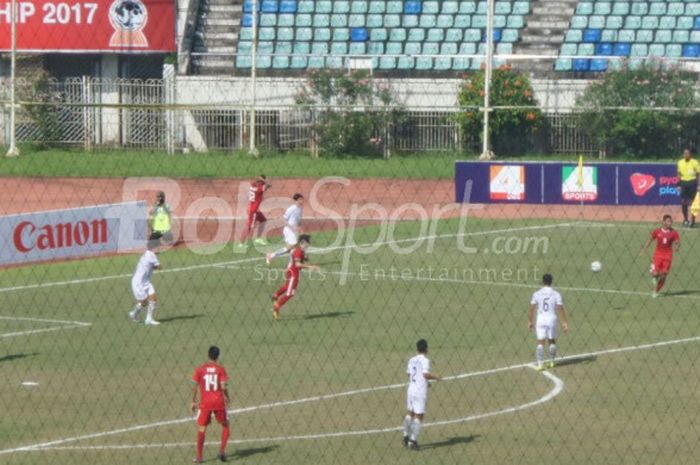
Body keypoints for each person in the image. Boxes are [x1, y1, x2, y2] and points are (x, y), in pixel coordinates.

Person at [191, 345, 230, 463]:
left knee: (202, 429)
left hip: (205, 403)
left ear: (208, 355)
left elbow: (194, 386)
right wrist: (227, 397)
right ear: (218, 356)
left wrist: (193, 401)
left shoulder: (200, 369)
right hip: (218, 402)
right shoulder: (220, 369)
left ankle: (199, 457)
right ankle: (222, 451)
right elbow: (223, 386)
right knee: (226, 425)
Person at [402, 339, 441, 451]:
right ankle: (412, 441)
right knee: (419, 415)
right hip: (419, 392)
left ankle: (405, 436)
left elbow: (410, 374)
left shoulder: (411, 360)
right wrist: (436, 377)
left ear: (417, 348)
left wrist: (426, 382)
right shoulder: (425, 360)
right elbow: (425, 374)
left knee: (410, 413)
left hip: (411, 389)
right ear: (426, 349)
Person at [271, 234, 318, 320]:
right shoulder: (298, 251)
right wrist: (310, 267)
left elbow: (294, 256)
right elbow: (297, 264)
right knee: (290, 293)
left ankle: (275, 295)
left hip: (291, 271)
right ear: (303, 242)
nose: (309, 244)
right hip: (294, 273)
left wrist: (310, 263)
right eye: (308, 242)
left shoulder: (298, 249)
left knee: (287, 286)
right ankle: (276, 308)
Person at [528, 273, 569, 371]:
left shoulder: (537, 293)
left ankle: (540, 364)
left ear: (543, 281)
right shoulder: (556, 294)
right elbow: (560, 308)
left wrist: (530, 321)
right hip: (551, 319)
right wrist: (564, 322)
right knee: (552, 340)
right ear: (551, 281)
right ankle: (551, 362)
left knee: (540, 342)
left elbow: (531, 309)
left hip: (541, 319)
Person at [640, 214, 681, 298]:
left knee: (664, 275)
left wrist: (677, 246)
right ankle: (654, 275)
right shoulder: (657, 231)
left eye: (671, 221)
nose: (670, 223)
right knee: (655, 274)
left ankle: (655, 291)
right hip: (658, 255)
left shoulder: (674, 232)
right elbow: (650, 239)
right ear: (663, 222)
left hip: (668, 256)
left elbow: (677, 241)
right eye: (668, 221)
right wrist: (644, 249)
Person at [129, 239, 161, 326]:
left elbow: (151, 266)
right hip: (138, 283)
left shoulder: (148, 254)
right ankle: (134, 313)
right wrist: (157, 266)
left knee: (153, 298)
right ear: (153, 248)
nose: (160, 249)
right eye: (158, 247)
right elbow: (159, 267)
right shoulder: (151, 255)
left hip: (146, 281)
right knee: (144, 302)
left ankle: (149, 319)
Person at [266, 193, 304, 264]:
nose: (302, 201)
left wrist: (301, 230)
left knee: (290, 249)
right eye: (301, 199)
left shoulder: (301, 209)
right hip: (289, 230)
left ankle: (272, 255)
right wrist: (291, 227)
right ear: (296, 200)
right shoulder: (291, 209)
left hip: (294, 231)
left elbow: (299, 221)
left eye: (302, 199)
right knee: (294, 246)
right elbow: (284, 219)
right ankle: (294, 262)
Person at [237, 175, 271, 249]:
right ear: (262, 181)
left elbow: (258, 183)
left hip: (251, 208)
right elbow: (268, 185)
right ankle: (241, 243)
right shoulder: (259, 188)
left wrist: (260, 180)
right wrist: (265, 181)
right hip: (253, 210)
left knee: (263, 220)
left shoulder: (253, 185)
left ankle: (258, 239)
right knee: (248, 226)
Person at [676, 148, 700, 227]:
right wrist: (678, 184)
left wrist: (698, 185)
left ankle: (692, 220)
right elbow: (679, 174)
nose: (686, 155)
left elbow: (698, 174)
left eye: (687, 153)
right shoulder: (680, 162)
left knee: (694, 203)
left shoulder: (695, 162)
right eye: (684, 153)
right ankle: (685, 219)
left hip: (692, 183)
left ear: (690, 154)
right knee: (683, 202)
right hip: (683, 183)